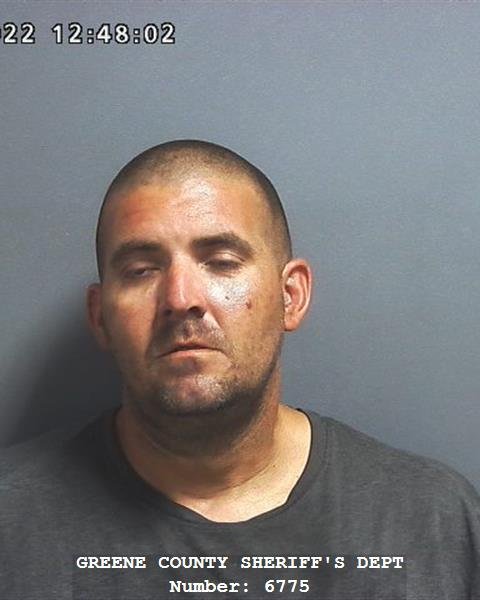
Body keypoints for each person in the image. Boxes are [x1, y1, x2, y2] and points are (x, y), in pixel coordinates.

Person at [0, 140, 479, 600]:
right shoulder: (13, 519)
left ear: (290, 297)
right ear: (101, 316)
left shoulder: (432, 521)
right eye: (142, 270)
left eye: (221, 262)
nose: (180, 299)